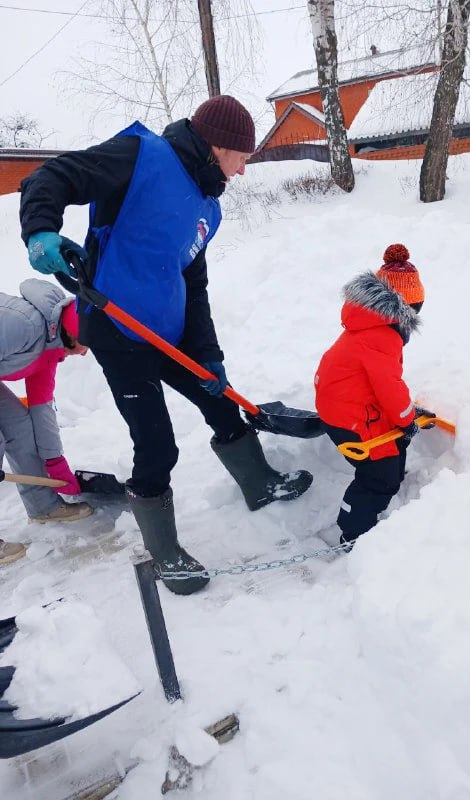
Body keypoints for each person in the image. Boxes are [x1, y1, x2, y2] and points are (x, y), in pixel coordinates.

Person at [20, 94, 312, 596]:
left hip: (168, 328)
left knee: (218, 398)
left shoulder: (208, 207)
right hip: (118, 330)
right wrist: (41, 230)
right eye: (243, 157)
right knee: (157, 444)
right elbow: (52, 176)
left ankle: (259, 483)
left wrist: (209, 355)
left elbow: (192, 284)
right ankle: (165, 553)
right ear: (219, 147)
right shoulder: (141, 157)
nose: (243, 172)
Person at [314, 244, 435, 549]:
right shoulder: (382, 336)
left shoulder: (367, 325)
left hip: (345, 407)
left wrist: (405, 417)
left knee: (395, 440)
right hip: (353, 419)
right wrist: (407, 418)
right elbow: (389, 387)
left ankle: (394, 474)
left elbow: (380, 382)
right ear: (404, 308)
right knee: (377, 478)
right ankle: (352, 533)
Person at [0, 278, 94, 528]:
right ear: (73, 333)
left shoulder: (49, 349)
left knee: (19, 426)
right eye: (87, 345)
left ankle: (43, 507)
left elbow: (41, 407)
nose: (84, 353)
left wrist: (54, 460)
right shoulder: (24, 326)